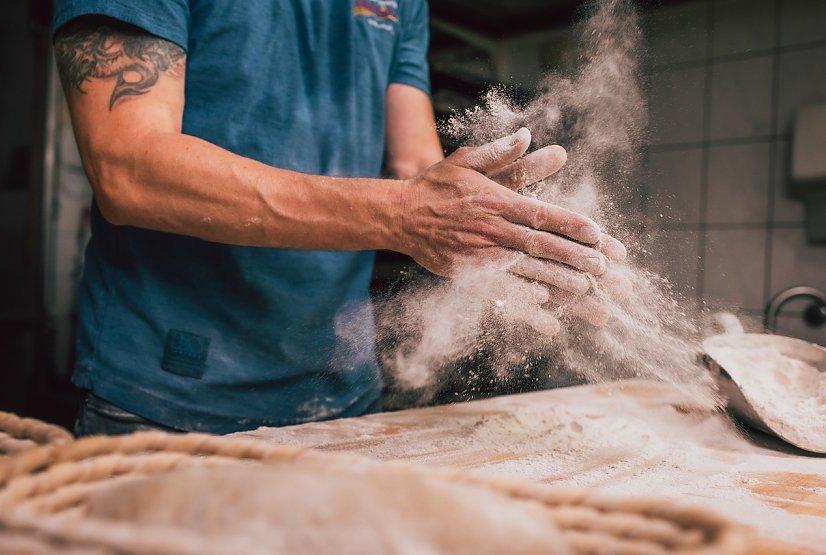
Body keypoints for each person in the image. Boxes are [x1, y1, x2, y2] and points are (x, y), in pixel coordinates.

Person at [52, 0, 625, 436]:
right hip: (168, 395)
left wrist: (492, 229)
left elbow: (416, 169)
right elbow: (127, 169)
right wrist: (407, 214)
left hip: (342, 393)